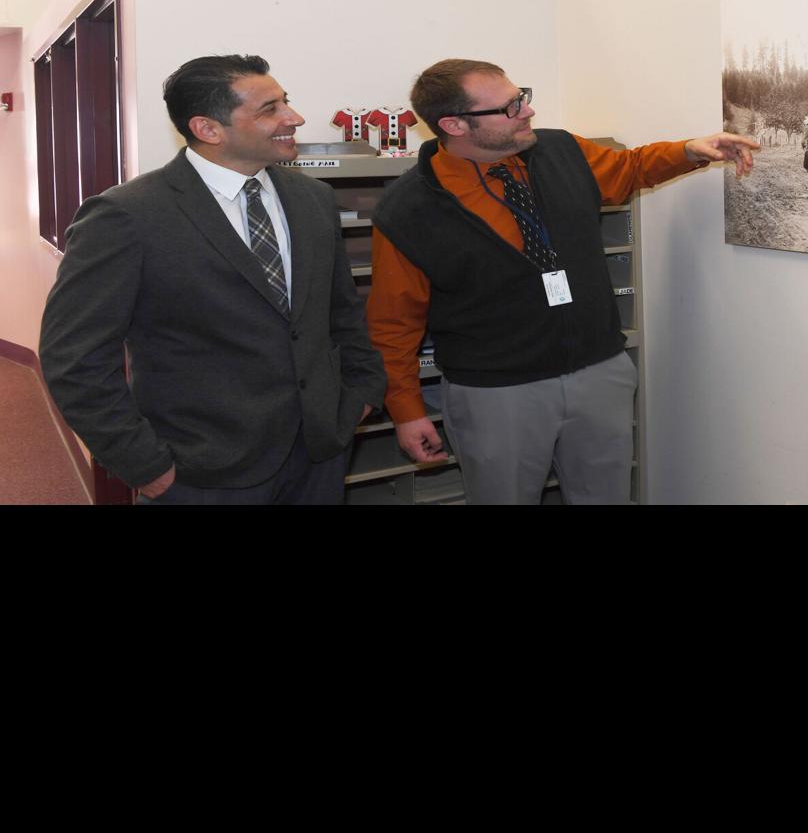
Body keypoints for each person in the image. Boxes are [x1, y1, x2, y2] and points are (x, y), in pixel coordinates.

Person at [366, 59, 758, 505]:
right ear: (454, 124)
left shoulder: (561, 151)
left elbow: (627, 170)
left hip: (599, 374)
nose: (528, 111)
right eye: (509, 107)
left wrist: (689, 149)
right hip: (498, 396)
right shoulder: (408, 210)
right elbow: (394, 323)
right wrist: (406, 410)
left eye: (522, 96)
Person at [39, 54, 385, 504]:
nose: (294, 118)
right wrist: (145, 466)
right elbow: (74, 358)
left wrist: (362, 391)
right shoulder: (126, 216)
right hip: (201, 473)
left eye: (286, 102)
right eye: (269, 109)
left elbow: (340, 310)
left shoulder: (312, 198)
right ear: (208, 129)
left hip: (319, 453)